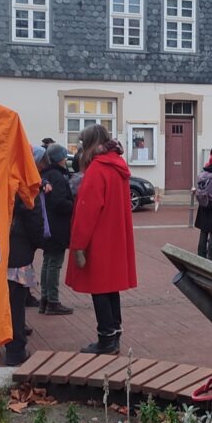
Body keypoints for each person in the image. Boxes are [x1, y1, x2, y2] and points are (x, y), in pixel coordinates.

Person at [65, 125, 137, 355]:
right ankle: (113, 334)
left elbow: (87, 211)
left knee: (100, 290)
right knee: (110, 289)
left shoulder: (98, 169)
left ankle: (106, 338)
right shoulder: (117, 167)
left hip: (98, 240)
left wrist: (78, 245)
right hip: (114, 237)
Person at [5, 150, 49, 366]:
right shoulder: (26, 183)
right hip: (18, 251)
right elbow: (34, 217)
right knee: (15, 303)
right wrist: (39, 241)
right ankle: (15, 350)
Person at [39, 143, 74, 315]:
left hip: (47, 226)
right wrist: (74, 205)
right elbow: (59, 202)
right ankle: (52, 301)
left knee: (47, 262)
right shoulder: (58, 177)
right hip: (56, 227)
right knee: (54, 264)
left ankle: (45, 300)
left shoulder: (46, 174)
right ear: (60, 158)